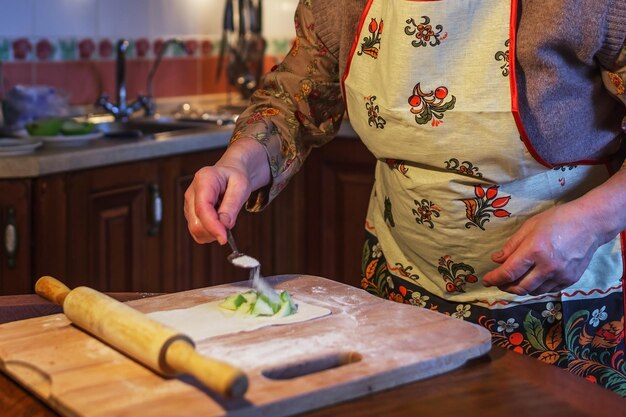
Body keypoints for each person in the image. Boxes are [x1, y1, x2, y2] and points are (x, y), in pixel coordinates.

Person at [185, 0, 626, 394]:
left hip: (564, 302)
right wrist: (237, 165)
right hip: (400, 287)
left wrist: (588, 222)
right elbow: (293, 102)